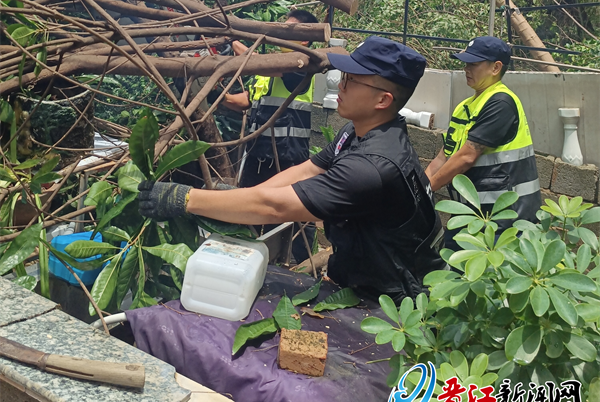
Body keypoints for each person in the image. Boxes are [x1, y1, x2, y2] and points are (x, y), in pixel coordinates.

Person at [138, 36, 445, 305]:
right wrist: (242, 195)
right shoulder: (358, 132)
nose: (341, 84)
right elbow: (305, 171)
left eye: (352, 80)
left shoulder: (372, 167)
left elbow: (275, 207)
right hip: (360, 279)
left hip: (390, 302)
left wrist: (185, 199)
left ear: (383, 99)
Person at [426, 36, 541, 235]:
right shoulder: (465, 107)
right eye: (465, 63)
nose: (466, 69)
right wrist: (421, 188)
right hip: (472, 216)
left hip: (504, 221)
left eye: (474, 64)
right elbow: (443, 156)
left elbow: (467, 156)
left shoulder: (501, 102)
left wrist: (428, 190)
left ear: (496, 68)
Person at [223, 9, 319, 189]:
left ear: (305, 39)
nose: (280, 34)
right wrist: (217, 95)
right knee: (249, 206)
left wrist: (232, 41)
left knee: (278, 211)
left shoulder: (304, 63)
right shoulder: (272, 69)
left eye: (287, 31)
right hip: (258, 153)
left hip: (286, 156)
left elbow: (256, 62)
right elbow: (246, 101)